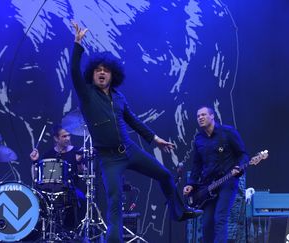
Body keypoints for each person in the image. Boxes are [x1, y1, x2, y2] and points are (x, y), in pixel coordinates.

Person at [71, 21, 202, 243]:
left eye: (106, 70)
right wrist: (77, 45)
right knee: (115, 201)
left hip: (129, 150)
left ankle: (179, 212)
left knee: (165, 175)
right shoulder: (87, 95)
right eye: (98, 70)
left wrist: (155, 139)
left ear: (113, 75)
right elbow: (74, 71)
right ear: (92, 75)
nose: (102, 73)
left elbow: (134, 121)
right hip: (109, 158)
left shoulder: (119, 98)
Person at [183, 106, 249, 243]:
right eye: (198, 116)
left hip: (227, 181)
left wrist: (239, 168)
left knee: (220, 218)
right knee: (207, 223)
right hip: (208, 186)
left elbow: (243, 155)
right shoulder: (199, 139)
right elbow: (196, 165)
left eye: (203, 115)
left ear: (212, 116)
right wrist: (190, 183)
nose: (200, 118)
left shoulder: (228, 132)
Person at [30, 124, 86, 230]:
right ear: (56, 138)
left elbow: (83, 172)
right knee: (38, 200)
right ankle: (43, 230)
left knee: (81, 198)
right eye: (64, 136)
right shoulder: (48, 154)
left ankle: (77, 230)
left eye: (69, 136)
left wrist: (79, 162)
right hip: (50, 190)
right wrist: (34, 162)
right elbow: (35, 177)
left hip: (71, 189)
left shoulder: (76, 151)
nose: (68, 138)